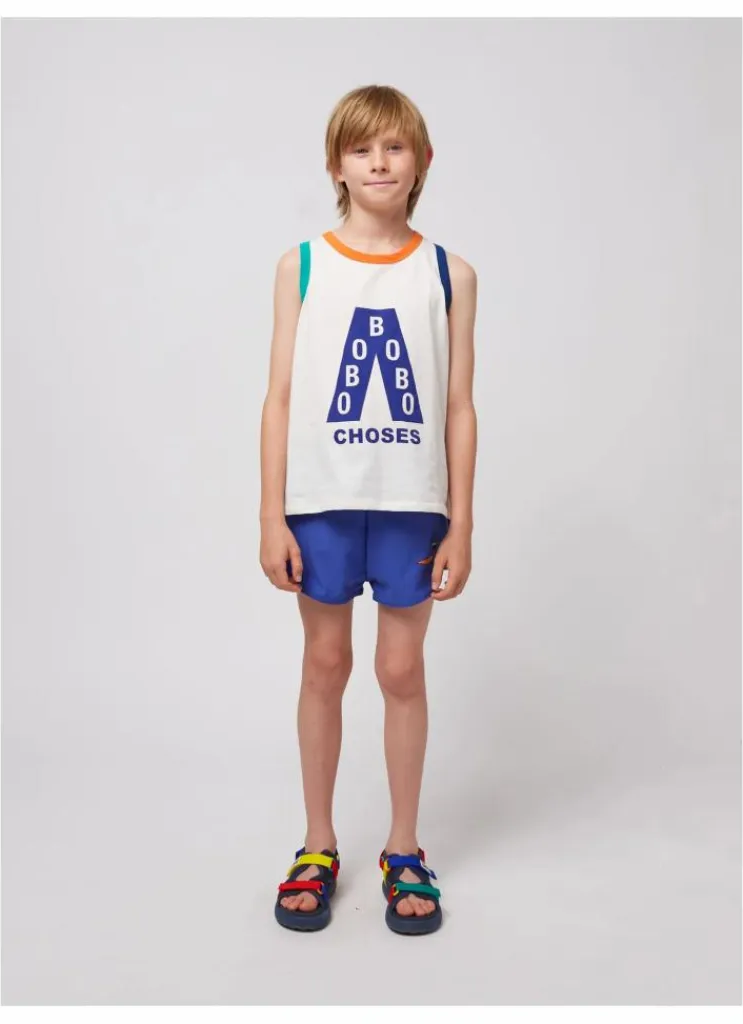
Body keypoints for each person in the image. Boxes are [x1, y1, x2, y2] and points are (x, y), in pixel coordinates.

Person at [259, 84, 478, 936]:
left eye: (394, 148)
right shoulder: (302, 265)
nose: (379, 163)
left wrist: (462, 521)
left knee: (401, 672)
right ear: (336, 166)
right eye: (361, 149)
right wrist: (271, 514)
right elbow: (280, 397)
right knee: (324, 665)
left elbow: (458, 406)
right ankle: (317, 844)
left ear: (421, 163)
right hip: (320, 500)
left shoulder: (448, 274)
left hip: (411, 505)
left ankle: (403, 847)